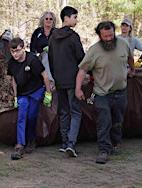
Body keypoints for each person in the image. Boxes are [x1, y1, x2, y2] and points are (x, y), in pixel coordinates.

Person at [75, 21, 135, 164]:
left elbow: (129, 57)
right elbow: (82, 70)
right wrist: (78, 88)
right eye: (105, 36)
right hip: (102, 94)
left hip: (121, 92)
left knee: (118, 121)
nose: (109, 38)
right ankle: (103, 149)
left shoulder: (123, 44)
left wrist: (132, 70)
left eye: (111, 35)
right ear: (99, 36)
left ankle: (116, 143)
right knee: (104, 122)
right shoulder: (94, 50)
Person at [48, 6, 85, 157]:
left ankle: (64, 142)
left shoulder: (52, 37)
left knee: (63, 111)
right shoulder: (73, 37)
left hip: (59, 80)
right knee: (75, 111)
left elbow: (50, 60)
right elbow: (82, 58)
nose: (76, 20)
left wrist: (55, 76)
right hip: (73, 81)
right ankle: (71, 143)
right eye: (74, 17)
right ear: (66, 18)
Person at [7, 37, 52, 160]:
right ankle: (20, 144)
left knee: (31, 116)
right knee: (21, 117)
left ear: (23, 48)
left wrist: (48, 93)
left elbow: (45, 76)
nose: (15, 54)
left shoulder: (32, 59)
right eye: (12, 51)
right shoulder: (11, 63)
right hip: (22, 93)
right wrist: (15, 96)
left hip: (35, 91)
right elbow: (14, 80)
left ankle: (32, 139)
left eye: (17, 50)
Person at [30, 11, 56, 82]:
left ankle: (50, 80)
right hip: (39, 57)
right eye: (46, 18)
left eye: (51, 19)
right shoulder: (37, 32)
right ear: (43, 20)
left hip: (54, 57)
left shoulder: (56, 32)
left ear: (53, 20)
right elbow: (32, 47)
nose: (48, 20)